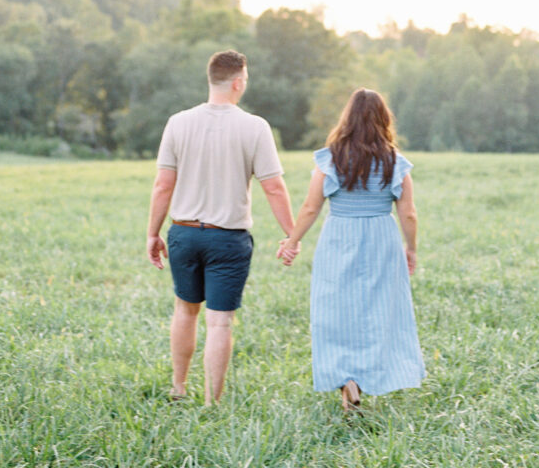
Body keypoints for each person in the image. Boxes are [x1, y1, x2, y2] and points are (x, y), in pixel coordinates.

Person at [146, 49, 299, 404]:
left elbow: (162, 185)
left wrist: (153, 233)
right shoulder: (255, 127)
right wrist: (292, 234)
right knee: (219, 322)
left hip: (183, 233)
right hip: (228, 239)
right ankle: (213, 402)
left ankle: (179, 388)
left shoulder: (178, 122)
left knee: (185, 310)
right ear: (238, 82)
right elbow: (273, 187)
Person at [278, 87, 425, 411]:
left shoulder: (331, 158)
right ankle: (363, 376)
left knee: (335, 312)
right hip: (381, 238)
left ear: (348, 118)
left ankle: (347, 378)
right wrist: (411, 248)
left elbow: (310, 207)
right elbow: (409, 213)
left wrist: (293, 240)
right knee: (377, 313)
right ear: (384, 120)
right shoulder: (395, 162)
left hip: (339, 237)